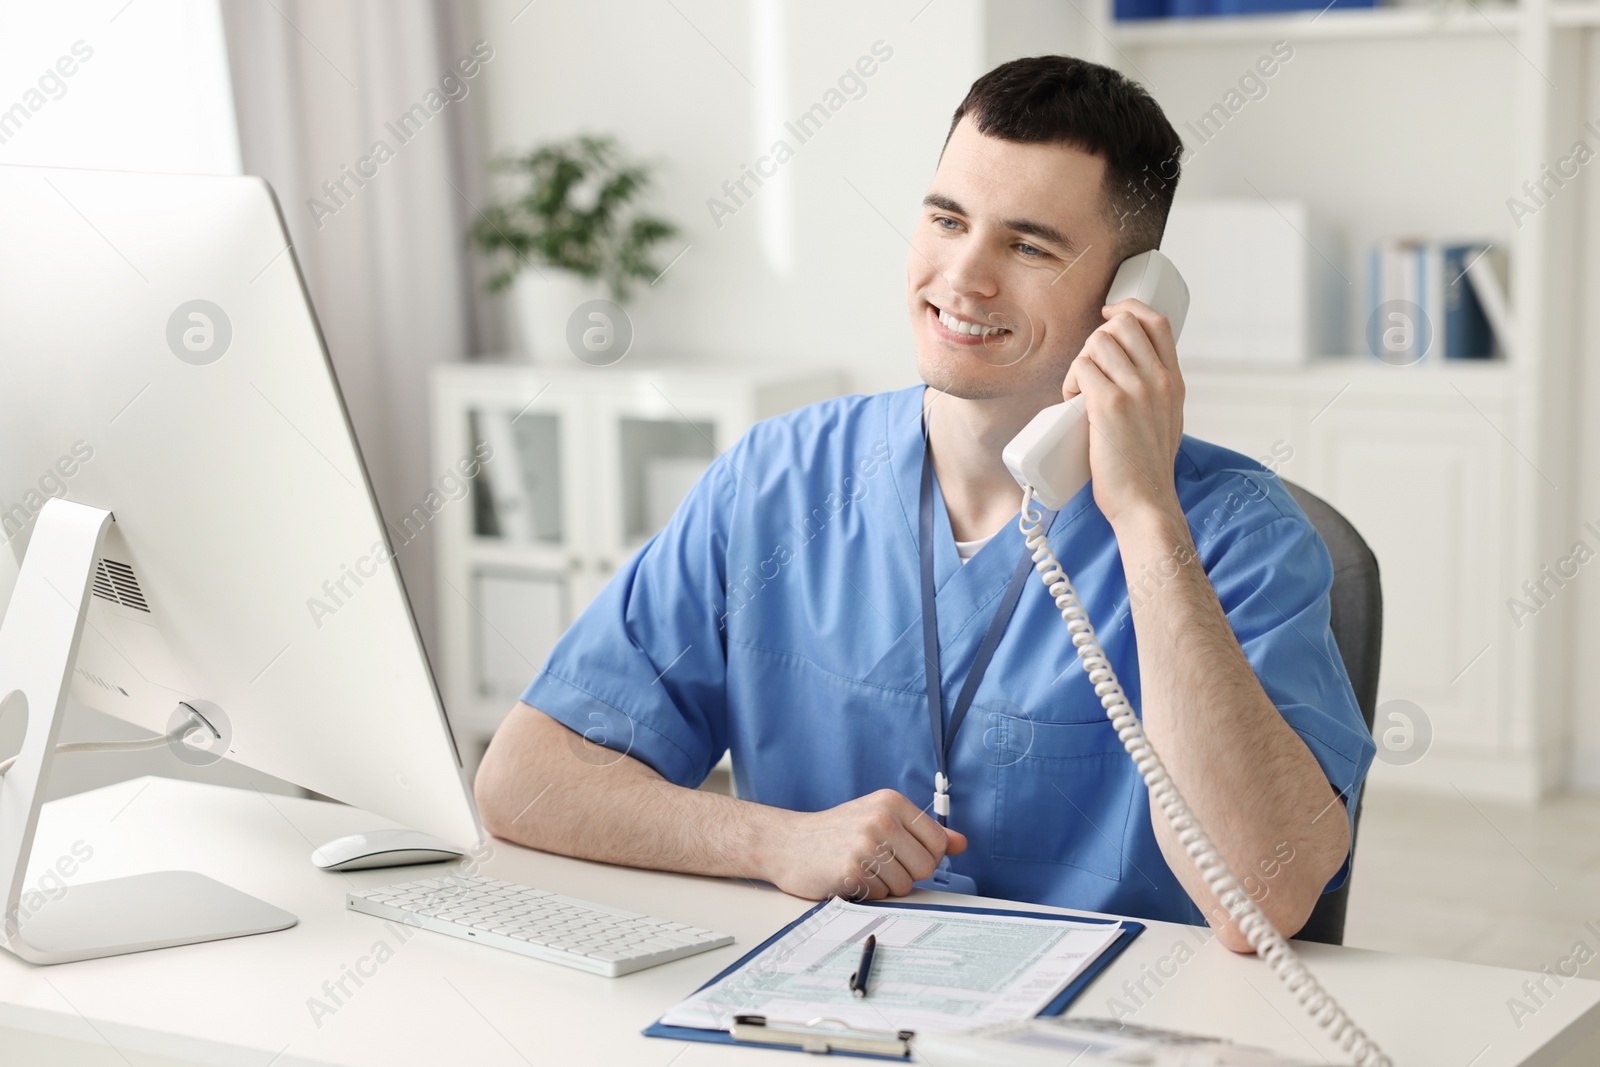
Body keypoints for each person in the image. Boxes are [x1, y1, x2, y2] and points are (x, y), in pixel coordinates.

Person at [473, 54, 1377, 952]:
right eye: (947, 220)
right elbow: (523, 780)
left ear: (1131, 303)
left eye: (1029, 246)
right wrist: (778, 841)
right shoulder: (776, 480)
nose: (964, 277)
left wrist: (1142, 515)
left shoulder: (1240, 535)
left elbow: (1268, 893)